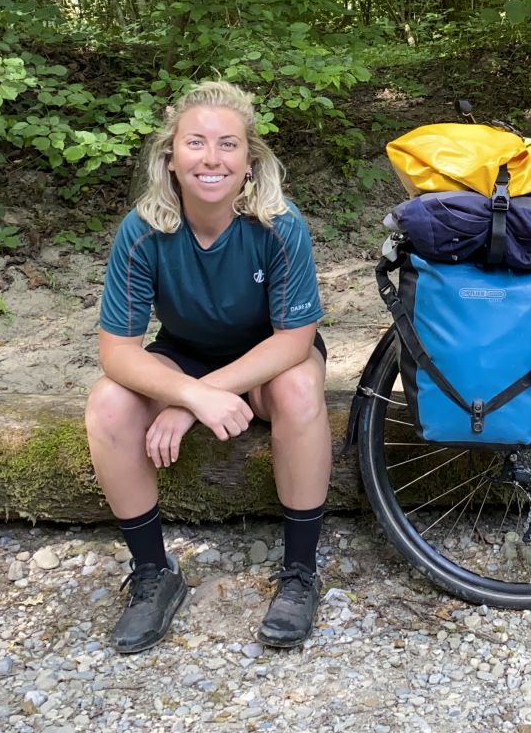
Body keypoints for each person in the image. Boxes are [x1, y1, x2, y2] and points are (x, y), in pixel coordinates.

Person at [85, 80, 329, 653]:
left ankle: (299, 573)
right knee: (109, 403)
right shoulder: (143, 230)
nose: (212, 158)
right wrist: (188, 395)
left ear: (249, 162)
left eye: (228, 145)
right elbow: (117, 351)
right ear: (171, 159)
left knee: (298, 391)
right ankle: (153, 574)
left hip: (270, 356)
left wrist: (195, 398)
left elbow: (296, 338)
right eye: (195, 143)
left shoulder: (278, 224)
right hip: (184, 352)